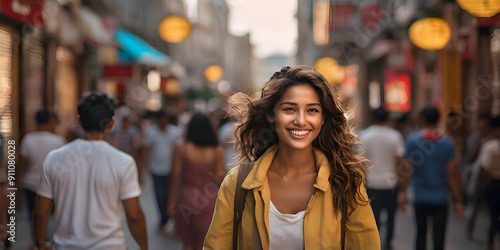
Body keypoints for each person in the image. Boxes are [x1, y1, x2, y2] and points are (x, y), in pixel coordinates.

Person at [204, 66, 379, 249]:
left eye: (312, 110)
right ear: (271, 115)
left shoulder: (346, 182)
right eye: (289, 109)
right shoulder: (237, 183)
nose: (301, 121)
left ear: (323, 118)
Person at [33, 93, 148, 250]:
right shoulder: (124, 162)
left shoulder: (55, 158)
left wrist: (40, 243)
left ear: (79, 121)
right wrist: (144, 247)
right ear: (112, 123)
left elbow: (40, 212)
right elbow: (134, 216)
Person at [400, 105, 463, 250]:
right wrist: (458, 200)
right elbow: (452, 174)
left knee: (420, 235)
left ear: (421, 119)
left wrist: (403, 192)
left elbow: (406, 169)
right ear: (439, 119)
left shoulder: (413, 141)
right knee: (439, 237)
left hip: (420, 196)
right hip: (441, 198)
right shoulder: (447, 143)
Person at [168, 113, 226, 250]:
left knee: (188, 241)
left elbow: (175, 176)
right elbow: (221, 177)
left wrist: (171, 201)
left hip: (186, 197)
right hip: (209, 199)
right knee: (204, 242)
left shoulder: (181, 147)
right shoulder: (217, 150)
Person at [358, 107, 409, 250]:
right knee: (392, 216)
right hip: (391, 183)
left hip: (372, 183)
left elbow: (359, 162)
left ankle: (375, 243)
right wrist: (403, 185)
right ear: (387, 119)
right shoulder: (395, 136)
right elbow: (401, 161)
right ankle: (388, 243)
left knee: (373, 218)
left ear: (372, 119)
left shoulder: (364, 135)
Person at [19, 108, 66, 244]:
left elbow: (21, 165)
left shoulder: (28, 139)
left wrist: (14, 185)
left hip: (30, 184)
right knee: (47, 214)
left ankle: (37, 241)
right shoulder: (58, 141)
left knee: (33, 214)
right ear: (50, 121)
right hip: (52, 185)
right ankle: (45, 239)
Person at [140, 110, 179, 233]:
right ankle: (164, 219)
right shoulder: (151, 133)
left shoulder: (175, 132)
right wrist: (143, 169)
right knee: (159, 196)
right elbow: (145, 150)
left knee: (170, 196)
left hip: (171, 170)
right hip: (156, 170)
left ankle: (169, 219)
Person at [477, 115, 500, 250]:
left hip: (492, 184)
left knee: (493, 215)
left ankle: (490, 243)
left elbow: (483, 169)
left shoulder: (490, 147)